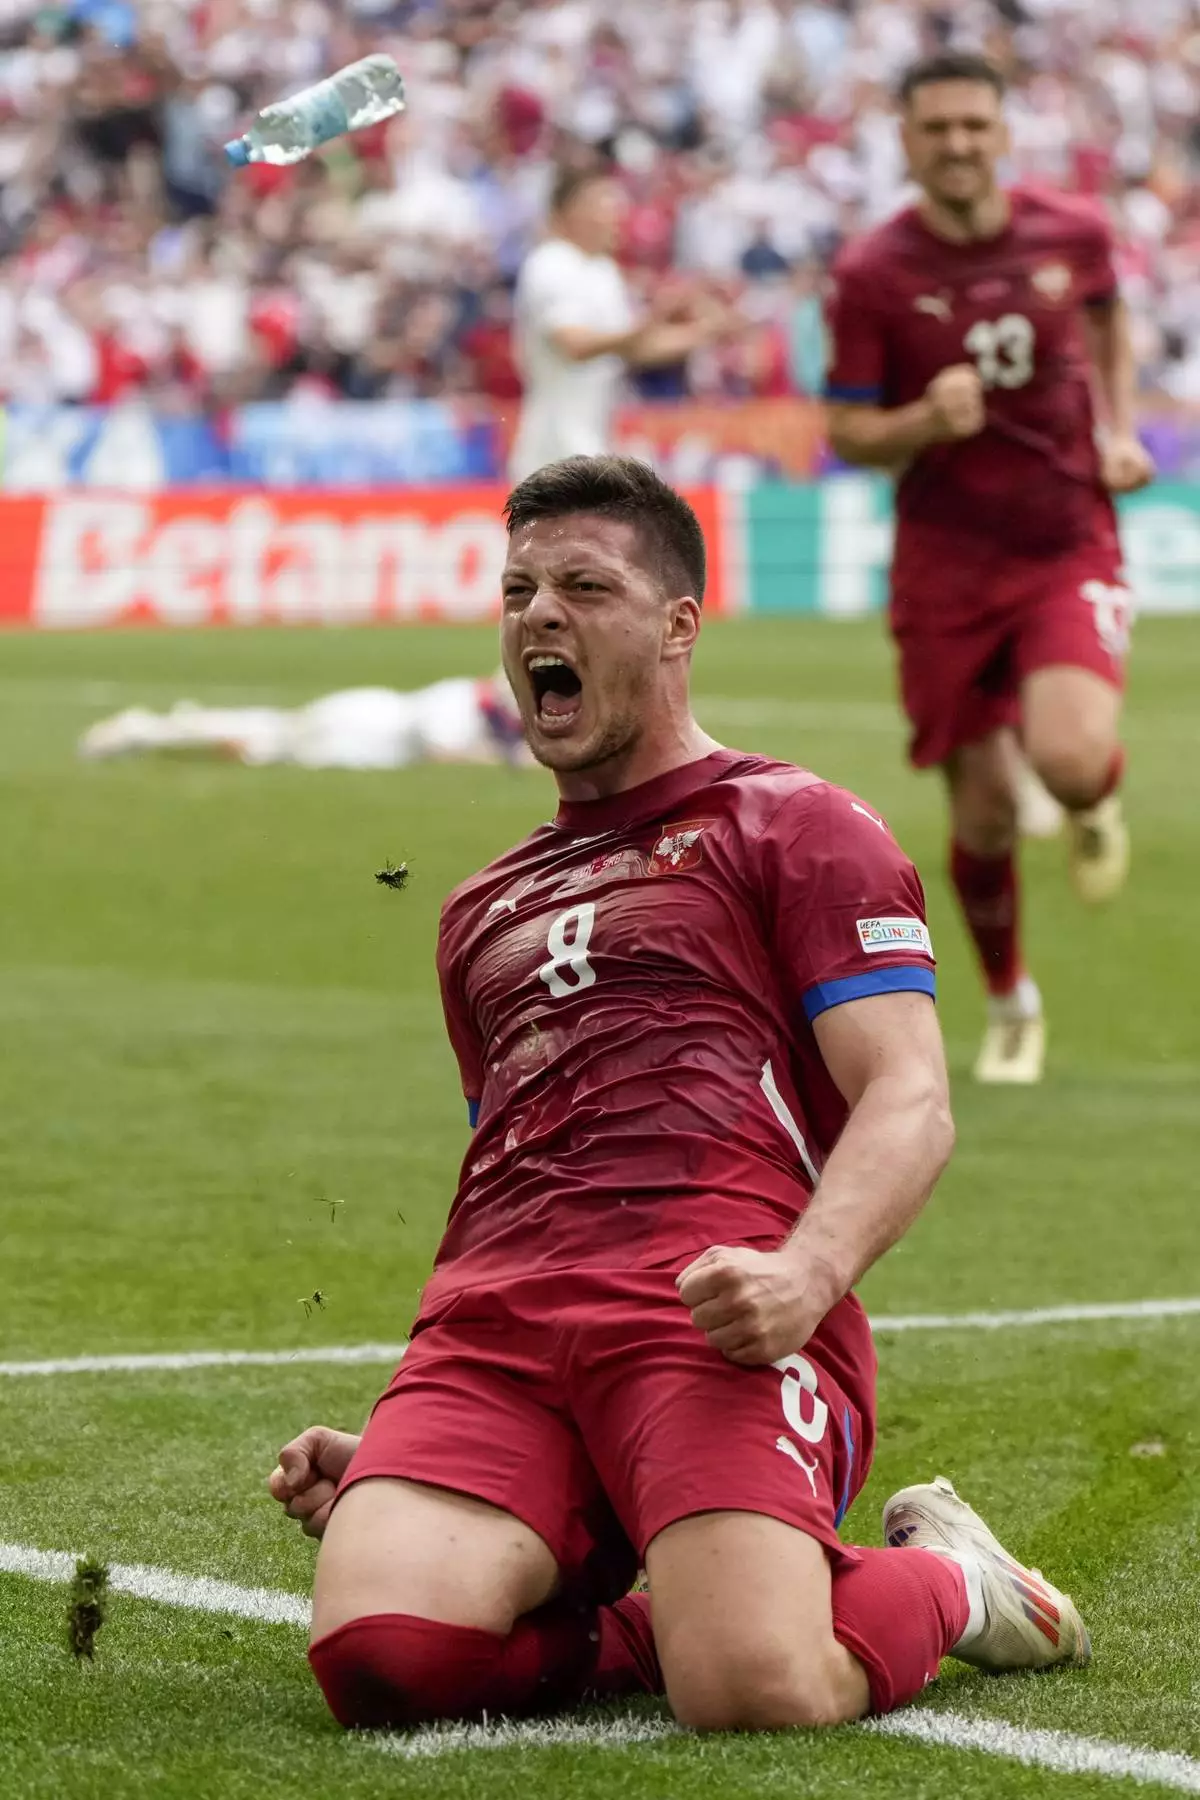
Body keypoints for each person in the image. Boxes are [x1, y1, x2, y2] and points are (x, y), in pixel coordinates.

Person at [268, 456, 1088, 1735]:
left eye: (585, 587)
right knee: (381, 1662)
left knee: (756, 1689)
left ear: (677, 624)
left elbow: (911, 1100)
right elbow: (518, 1170)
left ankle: (948, 1581)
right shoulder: (477, 910)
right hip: (498, 1333)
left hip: (713, 1316)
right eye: (519, 589)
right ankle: (651, 1577)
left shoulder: (796, 825)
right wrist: (406, 1460)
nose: (539, 615)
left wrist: (805, 1277)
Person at [824, 52, 1155, 1085]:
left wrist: (1118, 428)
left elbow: (1107, 323)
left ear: (1003, 133)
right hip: (945, 562)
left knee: (1065, 758)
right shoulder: (873, 274)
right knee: (983, 816)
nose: (959, 144)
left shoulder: (1075, 233)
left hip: (1065, 539)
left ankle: (1096, 796)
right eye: (938, 129)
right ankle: (1012, 1001)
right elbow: (846, 429)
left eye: (976, 125)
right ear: (908, 140)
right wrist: (923, 421)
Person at [509, 166, 733, 481]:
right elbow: (576, 346)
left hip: (593, 439)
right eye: (603, 204)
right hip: (552, 446)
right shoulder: (550, 264)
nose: (616, 215)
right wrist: (656, 317)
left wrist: (705, 334)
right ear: (570, 213)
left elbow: (633, 348)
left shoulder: (603, 272)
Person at [77, 671, 530, 770]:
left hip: (362, 725)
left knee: (265, 733)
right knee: (259, 743)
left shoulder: (467, 703)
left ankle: (158, 730)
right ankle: (150, 732)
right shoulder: (457, 704)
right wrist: (509, 761)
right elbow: (443, 751)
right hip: (357, 731)